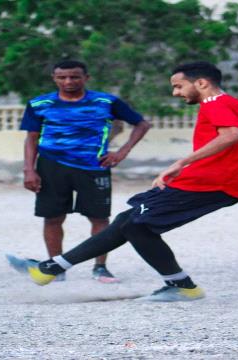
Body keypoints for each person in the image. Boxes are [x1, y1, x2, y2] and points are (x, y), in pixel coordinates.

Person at [8, 61, 238, 301]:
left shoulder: (215, 104)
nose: (176, 93)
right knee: (129, 220)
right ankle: (51, 269)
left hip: (206, 182)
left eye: (179, 86)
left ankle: (181, 286)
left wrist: (180, 162)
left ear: (201, 83)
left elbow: (231, 135)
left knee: (136, 225)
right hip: (219, 185)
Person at [19, 60, 150, 283]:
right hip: (51, 166)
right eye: (62, 77)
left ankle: (100, 268)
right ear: (54, 78)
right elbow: (31, 138)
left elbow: (141, 124)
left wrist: (122, 152)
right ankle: (56, 268)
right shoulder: (40, 103)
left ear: (86, 78)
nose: (68, 82)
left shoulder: (105, 101)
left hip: (93, 167)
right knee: (52, 217)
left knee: (99, 218)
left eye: (75, 77)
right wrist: (29, 170)